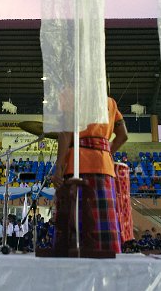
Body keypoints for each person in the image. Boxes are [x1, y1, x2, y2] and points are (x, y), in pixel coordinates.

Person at [52, 97, 129, 254]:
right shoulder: (110, 102)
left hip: (77, 166)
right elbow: (123, 135)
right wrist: (105, 153)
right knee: (104, 226)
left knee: (75, 221)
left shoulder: (71, 96)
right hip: (104, 168)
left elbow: (66, 133)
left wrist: (58, 166)